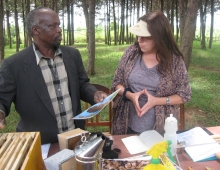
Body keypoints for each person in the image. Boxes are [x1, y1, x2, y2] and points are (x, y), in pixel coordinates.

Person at [0, 7, 107, 144]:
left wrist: (94, 93)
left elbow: (82, 84)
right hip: (39, 143)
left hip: (74, 137)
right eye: (52, 26)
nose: (59, 29)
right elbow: (2, 98)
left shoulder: (72, 55)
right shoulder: (13, 65)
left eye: (59, 25)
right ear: (35, 30)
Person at [111, 10, 192, 135]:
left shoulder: (174, 60)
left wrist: (156, 101)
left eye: (145, 38)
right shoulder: (131, 53)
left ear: (159, 37)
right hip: (126, 124)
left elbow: (184, 95)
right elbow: (116, 83)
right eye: (138, 36)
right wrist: (130, 95)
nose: (139, 40)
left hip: (160, 129)